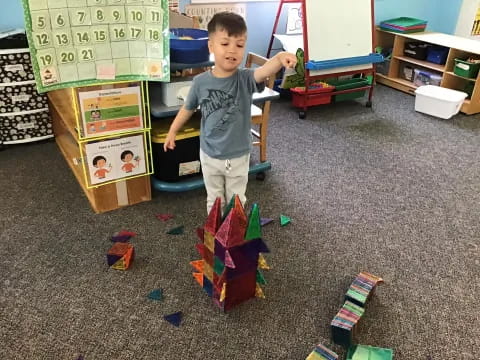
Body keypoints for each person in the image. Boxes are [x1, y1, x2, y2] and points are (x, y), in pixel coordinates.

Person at [163, 12, 297, 213]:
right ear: (211, 46)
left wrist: (279, 58)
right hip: (209, 154)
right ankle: (215, 236)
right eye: (225, 44)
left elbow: (264, 71)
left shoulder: (245, 79)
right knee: (214, 201)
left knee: (236, 201)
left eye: (240, 45)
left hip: (238, 155)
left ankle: (234, 237)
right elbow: (187, 108)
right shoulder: (200, 82)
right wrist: (172, 131)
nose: (232, 50)